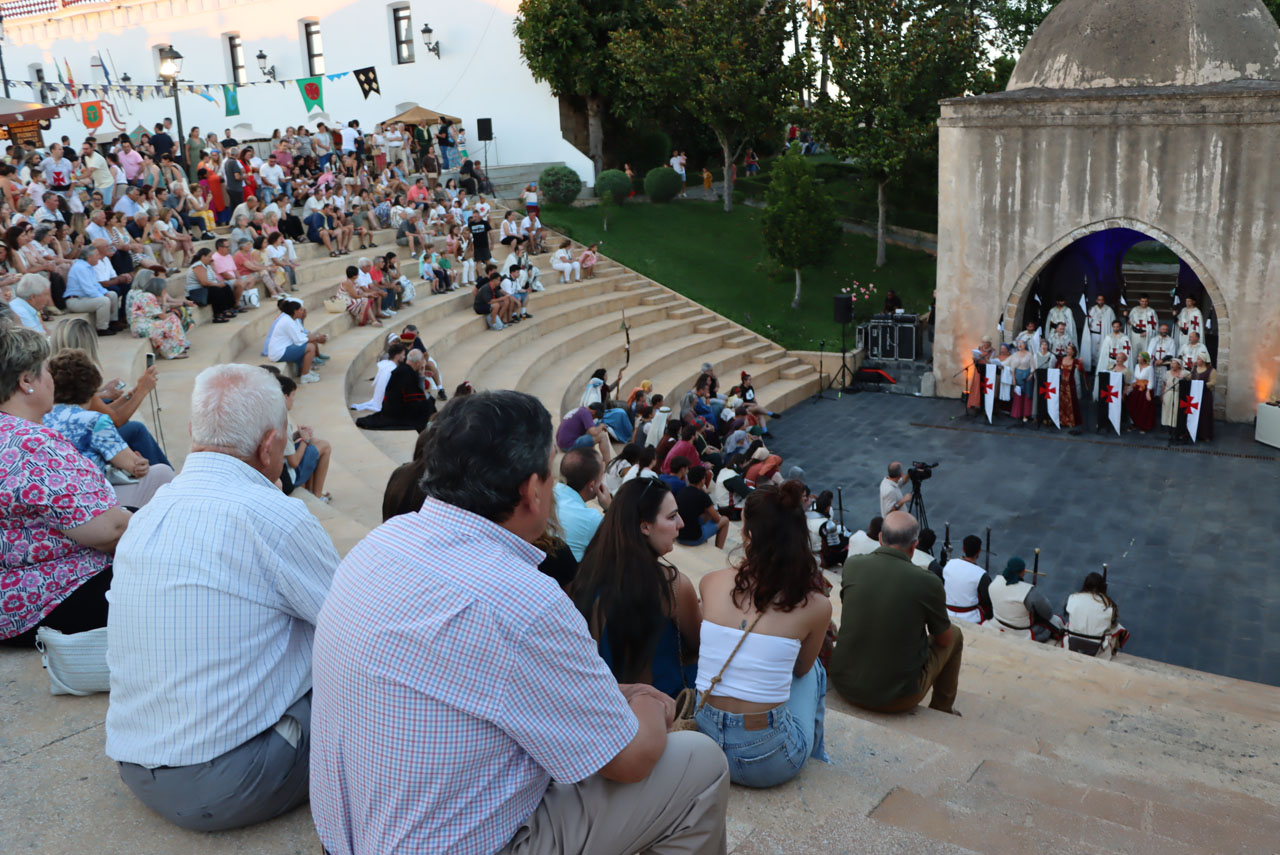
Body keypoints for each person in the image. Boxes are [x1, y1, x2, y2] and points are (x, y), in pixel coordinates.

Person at [312, 391, 729, 854]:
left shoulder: (380, 543)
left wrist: (616, 694)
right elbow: (629, 760)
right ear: (532, 490)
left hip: (347, 839)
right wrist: (652, 704)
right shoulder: (523, 599)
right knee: (701, 764)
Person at [106, 364, 340, 831]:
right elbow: (354, 629)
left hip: (136, 765)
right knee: (363, 682)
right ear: (270, 444)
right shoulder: (277, 517)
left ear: (195, 431)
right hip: (228, 782)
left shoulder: (150, 514)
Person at [694, 480, 830, 788]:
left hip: (706, 745)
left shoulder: (711, 582)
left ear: (749, 536)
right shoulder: (816, 605)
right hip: (770, 760)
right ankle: (819, 754)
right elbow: (802, 670)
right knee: (815, 669)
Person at [0, 325, 128, 653]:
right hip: (44, 598)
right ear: (26, 382)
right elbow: (107, 529)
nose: (51, 378)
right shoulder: (31, 443)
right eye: (45, 370)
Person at [574, 476, 702, 700]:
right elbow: (698, 646)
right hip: (661, 708)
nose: (681, 523)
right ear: (644, 526)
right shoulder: (672, 586)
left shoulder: (588, 571)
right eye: (672, 516)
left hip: (604, 700)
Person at [830, 511, 960, 714]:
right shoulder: (928, 582)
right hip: (896, 699)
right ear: (914, 545)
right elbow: (943, 640)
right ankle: (942, 708)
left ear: (880, 538)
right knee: (955, 634)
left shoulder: (853, 564)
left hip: (842, 683)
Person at [44, 349, 176, 507]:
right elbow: (136, 467)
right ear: (92, 389)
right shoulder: (95, 421)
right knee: (162, 472)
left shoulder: (43, 415)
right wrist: (139, 462)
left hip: (53, 499)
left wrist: (130, 395)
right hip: (89, 503)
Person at [276, 373, 332, 501]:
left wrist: (296, 435)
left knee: (315, 442)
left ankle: (312, 491)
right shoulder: (280, 421)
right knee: (324, 446)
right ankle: (317, 495)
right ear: (285, 396)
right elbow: (294, 462)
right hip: (287, 477)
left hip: (283, 469)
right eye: (293, 395)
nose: (293, 400)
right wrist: (304, 441)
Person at [354, 347, 436, 431]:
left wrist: (421, 374)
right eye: (422, 361)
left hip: (389, 409)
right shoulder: (408, 374)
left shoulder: (403, 369)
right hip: (398, 413)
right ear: (418, 363)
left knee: (427, 402)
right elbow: (416, 399)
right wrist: (421, 377)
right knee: (429, 404)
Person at [554, 447, 612, 562]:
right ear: (592, 486)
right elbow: (616, 543)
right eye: (601, 476)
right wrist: (610, 508)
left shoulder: (549, 494)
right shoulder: (591, 518)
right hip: (568, 577)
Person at [986, 557, 1063, 643]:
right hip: (1021, 632)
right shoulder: (1029, 592)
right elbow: (1048, 613)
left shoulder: (994, 582)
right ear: (1022, 572)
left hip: (997, 623)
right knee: (1056, 621)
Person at [1063, 572, 1129, 658]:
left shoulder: (1072, 597)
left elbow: (1067, 612)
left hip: (1073, 644)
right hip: (1097, 649)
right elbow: (1113, 622)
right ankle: (1113, 652)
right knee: (1118, 629)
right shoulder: (1108, 603)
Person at [64, 245, 121, 335]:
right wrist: (105, 297)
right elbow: (89, 290)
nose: (99, 257)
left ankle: (112, 323)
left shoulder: (88, 267)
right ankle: (102, 328)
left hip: (83, 298)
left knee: (112, 294)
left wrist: (105, 293)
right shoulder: (80, 268)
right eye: (97, 255)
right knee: (104, 301)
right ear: (89, 257)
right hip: (75, 300)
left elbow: (96, 285)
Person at [266, 299, 323, 383]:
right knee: (310, 347)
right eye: (300, 310)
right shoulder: (288, 321)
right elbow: (300, 340)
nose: (303, 311)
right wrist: (318, 338)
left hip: (282, 350)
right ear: (295, 311)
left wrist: (316, 337)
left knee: (308, 344)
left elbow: (301, 335)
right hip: (279, 353)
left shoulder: (291, 319)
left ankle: (304, 372)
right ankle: (305, 376)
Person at [939, 535, 992, 624]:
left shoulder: (949, 564)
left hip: (947, 612)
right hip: (970, 617)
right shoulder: (981, 574)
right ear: (979, 551)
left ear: (963, 549)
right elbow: (987, 600)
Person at [675, 465, 729, 548]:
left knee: (705, 514)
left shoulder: (681, 491)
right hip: (694, 539)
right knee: (725, 520)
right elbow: (717, 519)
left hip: (678, 536)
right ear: (703, 480)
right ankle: (719, 549)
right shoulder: (703, 496)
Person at [1127, 351, 1158, 433]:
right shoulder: (1137, 366)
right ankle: (1134, 423)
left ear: (1144, 358)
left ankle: (1143, 425)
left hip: (1145, 389)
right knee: (1133, 405)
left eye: (1140, 357)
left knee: (1144, 408)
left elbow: (1151, 380)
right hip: (1137, 388)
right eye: (1138, 356)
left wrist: (1148, 391)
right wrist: (1131, 385)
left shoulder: (1149, 368)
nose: (1138, 358)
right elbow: (1135, 378)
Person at [1083, 294, 1115, 372]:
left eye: (1102, 300)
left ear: (1104, 301)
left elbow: (1113, 322)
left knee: (1103, 352)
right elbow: (1088, 323)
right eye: (1099, 300)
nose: (1100, 301)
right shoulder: (1092, 310)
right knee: (1093, 352)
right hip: (1094, 334)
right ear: (1096, 300)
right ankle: (1093, 369)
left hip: (1104, 334)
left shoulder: (1109, 310)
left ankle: (1101, 369)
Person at [1007, 338, 1036, 423]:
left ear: (1025, 345)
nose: (1020, 345)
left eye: (1022, 343)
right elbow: (1012, 368)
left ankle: (1026, 414)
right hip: (1018, 376)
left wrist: (1031, 375)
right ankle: (1017, 413)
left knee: (1027, 395)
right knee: (1018, 395)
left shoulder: (1030, 354)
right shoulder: (1015, 354)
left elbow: (1033, 366)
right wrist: (1014, 379)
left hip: (1027, 376)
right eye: (1019, 343)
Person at [1190, 354, 1216, 441]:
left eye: (1199, 359)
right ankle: (1193, 433)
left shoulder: (1211, 370)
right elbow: (1190, 377)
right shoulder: (1194, 369)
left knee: (1204, 414)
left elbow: (1213, 382)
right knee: (1193, 413)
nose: (1197, 361)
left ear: (1204, 361)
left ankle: (1205, 435)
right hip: (1194, 395)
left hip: (1205, 395)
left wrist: (1203, 385)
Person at [1058, 343, 1085, 428]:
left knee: (1071, 402)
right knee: (1061, 402)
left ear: (1073, 352)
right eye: (1067, 349)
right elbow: (1055, 370)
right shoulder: (1061, 360)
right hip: (1061, 384)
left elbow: (1081, 371)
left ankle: (1070, 421)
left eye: (1070, 349)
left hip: (1070, 384)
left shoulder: (1075, 361)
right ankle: (1061, 420)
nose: (1068, 351)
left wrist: (1080, 364)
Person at [1161, 357, 1189, 435]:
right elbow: (1164, 384)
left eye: (1174, 363)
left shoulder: (1184, 373)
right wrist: (1162, 395)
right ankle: (1167, 427)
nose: (1172, 365)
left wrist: (1183, 379)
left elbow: (1191, 377)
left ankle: (1174, 427)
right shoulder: (1167, 373)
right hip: (1168, 393)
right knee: (1166, 410)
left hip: (1177, 394)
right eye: (1171, 363)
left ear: (1179, 365)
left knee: (1175, 411)